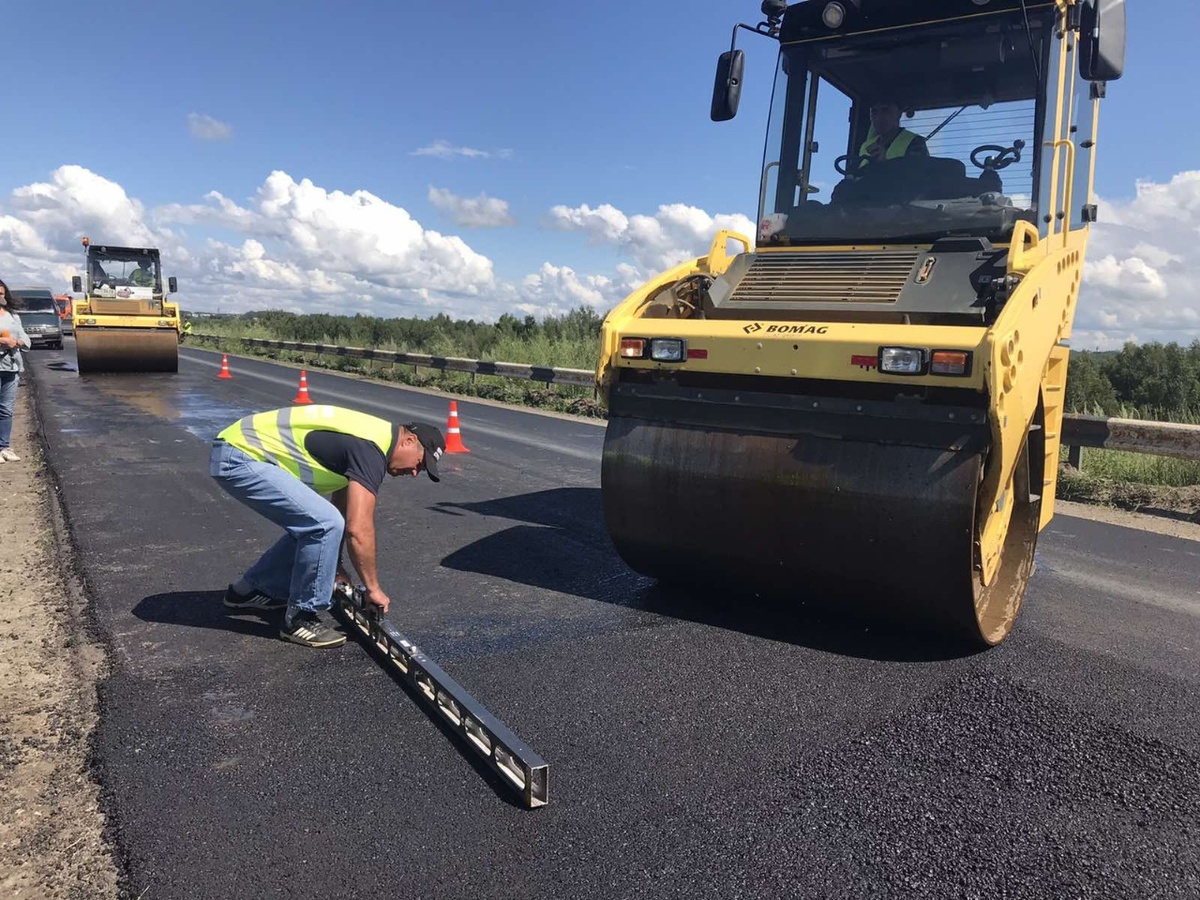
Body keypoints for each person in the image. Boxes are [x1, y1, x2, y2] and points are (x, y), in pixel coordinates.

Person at [209, 404, 447, 648]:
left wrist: (334, 566)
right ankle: (301, 617)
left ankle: (251, 590)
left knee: (319, 523)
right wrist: (373, 588)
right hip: (240, 455)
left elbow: (344, 513)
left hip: (238, 450)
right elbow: (359, 529)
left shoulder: (369, 440)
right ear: (408, 440)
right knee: (324, 524)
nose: (416, 472)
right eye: (420, 463)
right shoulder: (370, 448)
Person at [0, 279, 32, 463]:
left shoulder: (13, 316)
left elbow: (26, 340)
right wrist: (2, 341)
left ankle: (4, 447)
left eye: (2, 293)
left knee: (6, 409)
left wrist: (19, 341)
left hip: (11, 367)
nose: (1, 297)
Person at [858, 99, 928, 167]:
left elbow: (917, 176)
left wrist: (884, 165)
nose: (879, 117)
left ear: (899, 113)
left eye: (885, 110)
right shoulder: (865, 146)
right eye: (874, 112)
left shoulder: (915, 142)